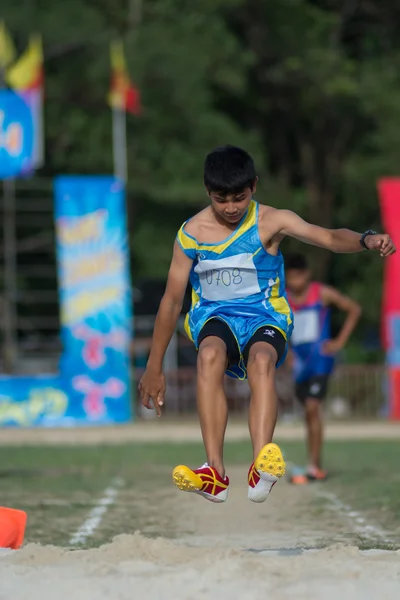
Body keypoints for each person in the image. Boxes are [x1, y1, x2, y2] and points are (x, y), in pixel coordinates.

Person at [139, 145, 395, 504]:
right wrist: (154, 367)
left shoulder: (273, 221)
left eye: (239, 198)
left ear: (254, 187)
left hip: (266, 316)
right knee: (209, 354)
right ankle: (214, 472)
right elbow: (170, 302)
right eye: (220, 199)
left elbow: (328, 237)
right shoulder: (190, 234)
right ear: (207, 190)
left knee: (262, 360)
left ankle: (262, 465)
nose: (230, 208)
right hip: (214, 317)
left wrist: (366, 239)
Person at [285, 253, 362, 483]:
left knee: (312, 407)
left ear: (306, 275)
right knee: (309, 414)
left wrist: (339, 342)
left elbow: (354, 309)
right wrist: (286, 352)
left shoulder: (322, 293)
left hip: (321, 361)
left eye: (299, 277)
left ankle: (315, 466)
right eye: (291, 278)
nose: (296, 282)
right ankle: (313, 462)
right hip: (300, 364)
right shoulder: (284, 299)